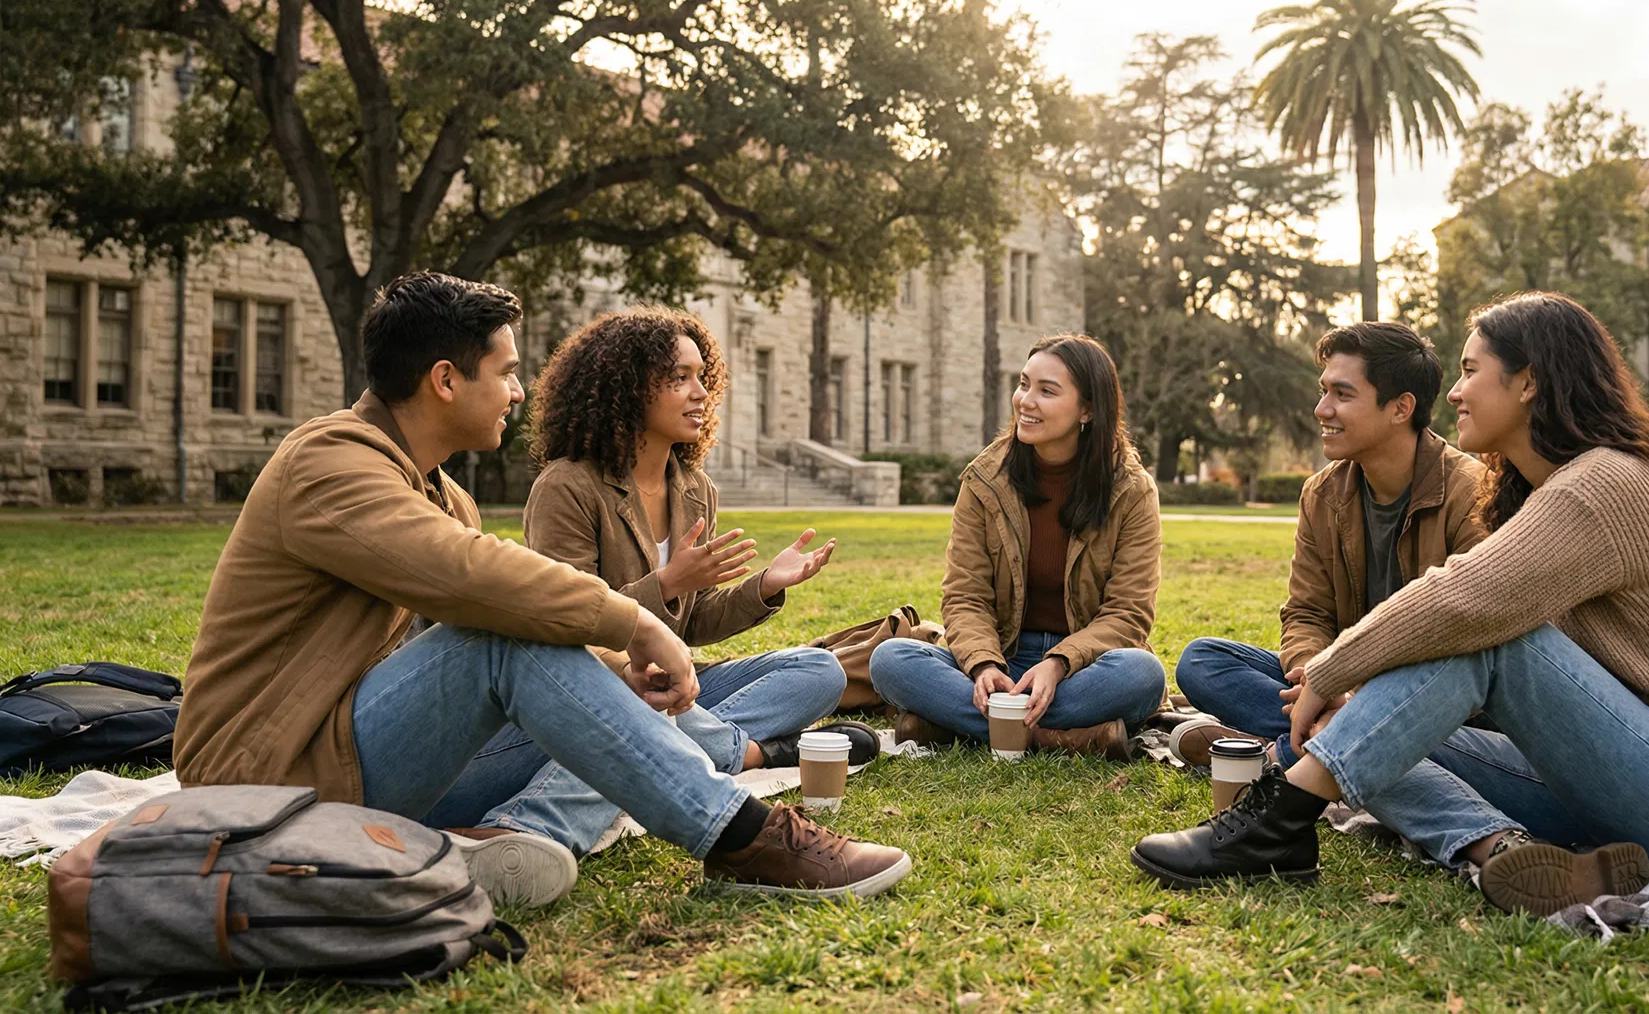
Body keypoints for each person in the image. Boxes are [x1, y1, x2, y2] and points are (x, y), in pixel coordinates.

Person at [174, 272, 910, 910]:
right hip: (263, 780)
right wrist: (638, 624)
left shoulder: (442, 493)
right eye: (507, 372)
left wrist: (620, 671)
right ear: (445, 379)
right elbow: (472, 573)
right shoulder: (329, 461)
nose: (520, 392)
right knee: (503, 636)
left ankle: (510, 838)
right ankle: (744, 838)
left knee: (611, 702)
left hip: (363, 764)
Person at [1131, 292, 1649, 917]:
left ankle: (1280, 818)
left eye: (1472, 370)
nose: (1454, 391)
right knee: (1375, 735)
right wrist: (1340, 691)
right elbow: (1324, 613)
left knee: (1489, 638)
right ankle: (1496, 844)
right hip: (1624, 787)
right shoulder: (1543, 488)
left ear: (1528, 382)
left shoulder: (1606, 483)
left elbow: (1463, 602)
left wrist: (1330, 672)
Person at [521, 308, 878, 775]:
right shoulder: (568, 486)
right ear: (627, 389)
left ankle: (674, 753)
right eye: (679, 378)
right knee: (638, 712)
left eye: (702, 376)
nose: (701, 393)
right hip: (605, 689)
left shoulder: (695, 489)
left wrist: (764, 586)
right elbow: (566, 626)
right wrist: (665, 583)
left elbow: (694, 622)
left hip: (678, 689)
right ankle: (746, 754)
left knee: (820, 671)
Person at [1171, 323, 1485, 769]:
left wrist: (1352, 691)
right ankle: (1326, 740)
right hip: (1337, 679)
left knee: (1450, 730)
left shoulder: (1470, 493)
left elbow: (1467, 642)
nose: (1322, 409)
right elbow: (1307, 613)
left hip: (1428, 700)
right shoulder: (1322, 494)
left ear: (1400, 408)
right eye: (1323, 392)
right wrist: (1315, 674)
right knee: (1203, 660)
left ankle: (1281, 753)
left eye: (1342, 394)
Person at [867, 334, 1166, 759]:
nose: (1026, 400)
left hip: (1084, 668)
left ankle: (964, 726)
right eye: (1024, 384)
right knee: (891, 660)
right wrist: (984, 664)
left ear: (1088, 409)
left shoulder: (1131, 490)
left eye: (1047, 391)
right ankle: (1058, 738)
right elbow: (965, 594)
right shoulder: (985, 479)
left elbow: (1128, 614)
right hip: (1003, 655)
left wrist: (1059, 663)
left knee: (1142, 675)